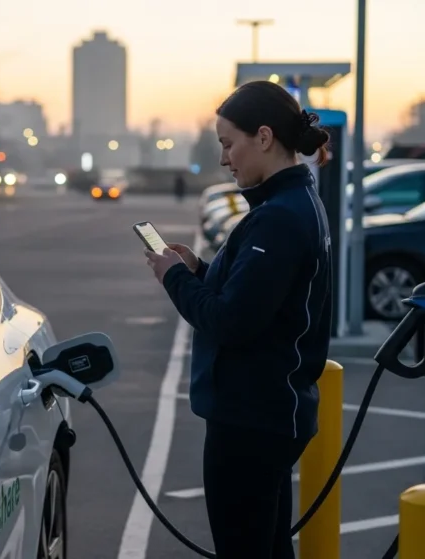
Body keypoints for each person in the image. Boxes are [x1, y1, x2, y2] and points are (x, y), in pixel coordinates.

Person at [144, 80, 333, 559]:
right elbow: (261, 300)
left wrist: (174, 280)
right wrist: (199, 270)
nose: (225, 159)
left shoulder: (278, 218)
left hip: (252, 418)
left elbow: (230, 320)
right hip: (268, 414)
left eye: (229, 144)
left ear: (264, 138)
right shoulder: (291, 205)